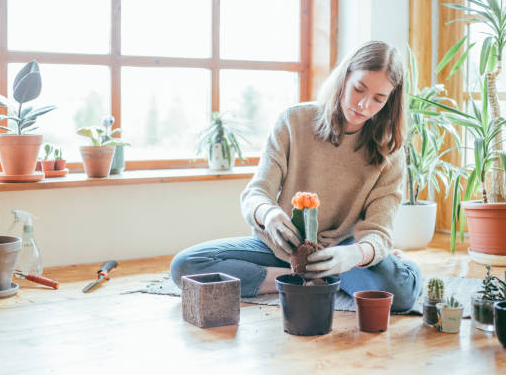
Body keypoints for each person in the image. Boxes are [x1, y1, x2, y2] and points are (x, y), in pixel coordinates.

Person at [170, 41, 422, 312]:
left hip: (342, 254)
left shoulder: (390, 150)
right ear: (344, 77)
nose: (363, 104)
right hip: (282, 248)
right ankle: (296, 278)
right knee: (185, 266)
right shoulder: (293, 121)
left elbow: (379, 231)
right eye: (359, 89)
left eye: (378, 99)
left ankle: (349, 271)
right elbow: (255, 193)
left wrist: (356, 254)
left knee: (402, 294)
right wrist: (268, 214)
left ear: (390, 100)